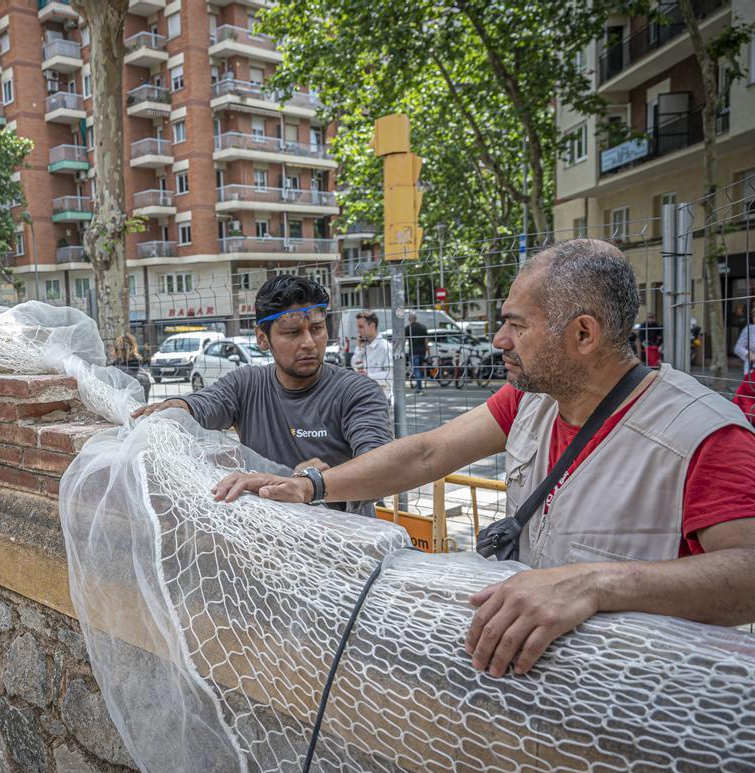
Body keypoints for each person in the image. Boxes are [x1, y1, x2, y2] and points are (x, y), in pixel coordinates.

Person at [212, 239, 755, 678]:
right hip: (531, 679)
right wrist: (310, 489)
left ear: (583, 333)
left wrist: (595, 584)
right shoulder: (530, 400)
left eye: (516, 325)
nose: (499, 339)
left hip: (641, 699)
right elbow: (427, 451)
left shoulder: (704, 435)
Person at [131, 274, 391, 515]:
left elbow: (382, 470)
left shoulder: (358, 393)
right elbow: (201, 405)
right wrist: (176, 407)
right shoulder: (247, 384)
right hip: (267, 537)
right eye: (292, 333)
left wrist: (316, 484)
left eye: (317, 329)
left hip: (343, 545)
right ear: (262, 338)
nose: (309, 343)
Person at [352, 310, 393, 400]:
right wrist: (359, 349)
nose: (358, 330)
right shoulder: (363, 345)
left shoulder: (385, 347)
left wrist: (369, 376)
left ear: (372, 326)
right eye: (358, 327)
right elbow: (356, 368)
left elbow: (391, 376)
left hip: (382, 399)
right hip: (365, 397)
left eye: (361, 327)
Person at [111, 332, 150, 402]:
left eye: (112, 350)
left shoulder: (115, 373)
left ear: (118, 351)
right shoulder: (144, 374)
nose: (111, 353)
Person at [404, 313, 428, 392]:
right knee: (420, 369)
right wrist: (428, 351)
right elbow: (426, 340)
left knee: (416, 369)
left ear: (409, 320)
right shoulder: (423, 327)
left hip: (414, 352)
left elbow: (404, 340)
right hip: (422, 352)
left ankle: (419, 388)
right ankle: (419, 384)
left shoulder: (408, 328)